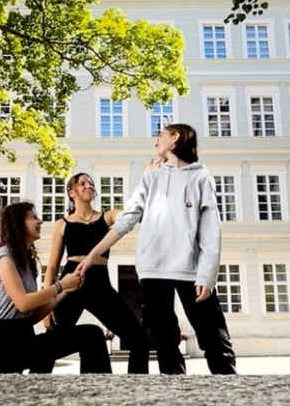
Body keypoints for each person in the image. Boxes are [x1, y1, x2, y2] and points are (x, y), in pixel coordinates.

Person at [77, 123, 237, 375]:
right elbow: (127, 219)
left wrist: (207, 274)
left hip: (191, 270)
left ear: (176, 138)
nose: (155, 142)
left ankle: (233, 390)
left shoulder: (201, 176)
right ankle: (173, 396)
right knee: (164, 341)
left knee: (214, 337)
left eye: (159, 136)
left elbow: (210, 230)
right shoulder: (151, 176)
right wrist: (92, 255)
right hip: (153, 270)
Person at [0, 201, 113, 374]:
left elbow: (32, 316)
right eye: (33, 217)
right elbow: (23, 303)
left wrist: (66, 290)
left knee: (91, 335)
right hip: (1, 347)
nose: (40, 221)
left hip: (25, 339)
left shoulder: (28, 261)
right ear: (18, 224)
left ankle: (97, 395)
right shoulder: (5, 255)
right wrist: (61, 285)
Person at [42, 173, 151, 373]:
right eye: (82, 183)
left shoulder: (107, 217)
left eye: (91, 183)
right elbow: (52, 267)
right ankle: (34, 382)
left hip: (100, 283)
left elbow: (127, 216)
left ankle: (137, 387)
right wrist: (46, 305)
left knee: (138, 338)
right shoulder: (62, 224)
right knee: (52, 338)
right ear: (71, 192)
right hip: (71, 283)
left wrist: (145, 182)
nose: (88, 186)